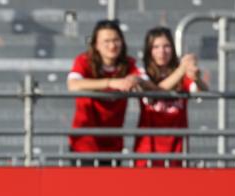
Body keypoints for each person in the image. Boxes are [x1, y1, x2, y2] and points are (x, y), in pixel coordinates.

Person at [66, 19, 154, 164]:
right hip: (84, 144)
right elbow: (73, 85)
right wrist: (111, 83)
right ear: (96, 45)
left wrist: (136, 80)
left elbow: (147, 82)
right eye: (106, 41)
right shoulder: (83, 61)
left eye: (116, 40)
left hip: (114, 144)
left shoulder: (129, 63)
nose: (112, 46)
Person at [134, 27, 207, 168]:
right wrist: (182, 69)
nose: (162, 51)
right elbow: (158, 90)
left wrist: (196, 76)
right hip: (148, 149)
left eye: (166, 46)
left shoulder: (182, 74)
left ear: (173, 48)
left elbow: (202, 93)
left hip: (177, 149)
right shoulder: (142, 72)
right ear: (149, 50)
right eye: (156, 47)